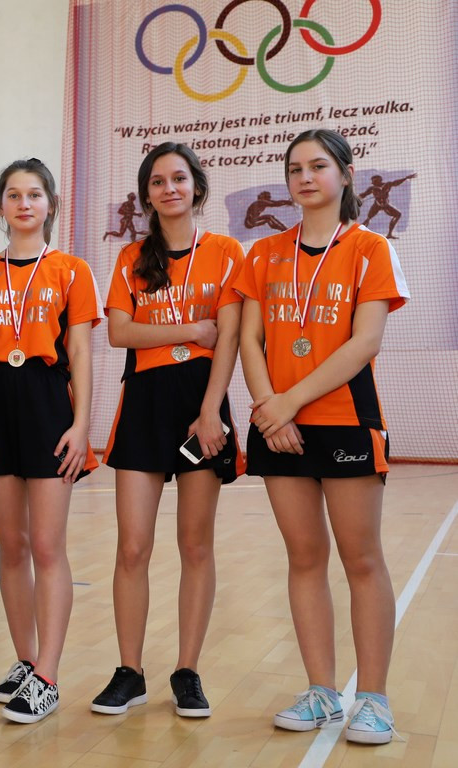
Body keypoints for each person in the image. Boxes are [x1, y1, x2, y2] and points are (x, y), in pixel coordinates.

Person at [236, 128, 408, 745]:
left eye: (317, 166)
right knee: (304, 558)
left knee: (361, 559)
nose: (305, 177)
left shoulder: (369, 248)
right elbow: (249, 339)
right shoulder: (262, 254)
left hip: (344, 419)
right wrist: (271, 410)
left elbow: (365, 343)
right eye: (295, 168)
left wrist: (289, 402)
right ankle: (321, 692)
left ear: (345, 174)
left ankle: (374, 699)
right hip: (278, 425)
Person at [93, 142, 245, 719]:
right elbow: (120, 333)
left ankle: (187, 671)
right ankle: (129, 672)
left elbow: (227, 339)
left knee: (194, 545)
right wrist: (190, 330)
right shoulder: (131, 257)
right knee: (132, 547)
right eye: (157, 181)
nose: (169, 188)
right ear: (147, 195)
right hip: (144, 405)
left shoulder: (227, 252)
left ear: (197, 187)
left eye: (179, 178)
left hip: (201, 404)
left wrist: (210, 413)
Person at [0, 158, 101, 724]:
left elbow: (81, 352)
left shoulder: (72, 270)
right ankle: (24, 660)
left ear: (51, 204)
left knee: (47, 546)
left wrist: (81, 424)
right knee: (11, 546)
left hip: (48, 406)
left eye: (35, 194)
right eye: (14, 195)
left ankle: (48, 673)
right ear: (0, 206)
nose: (24, 204)